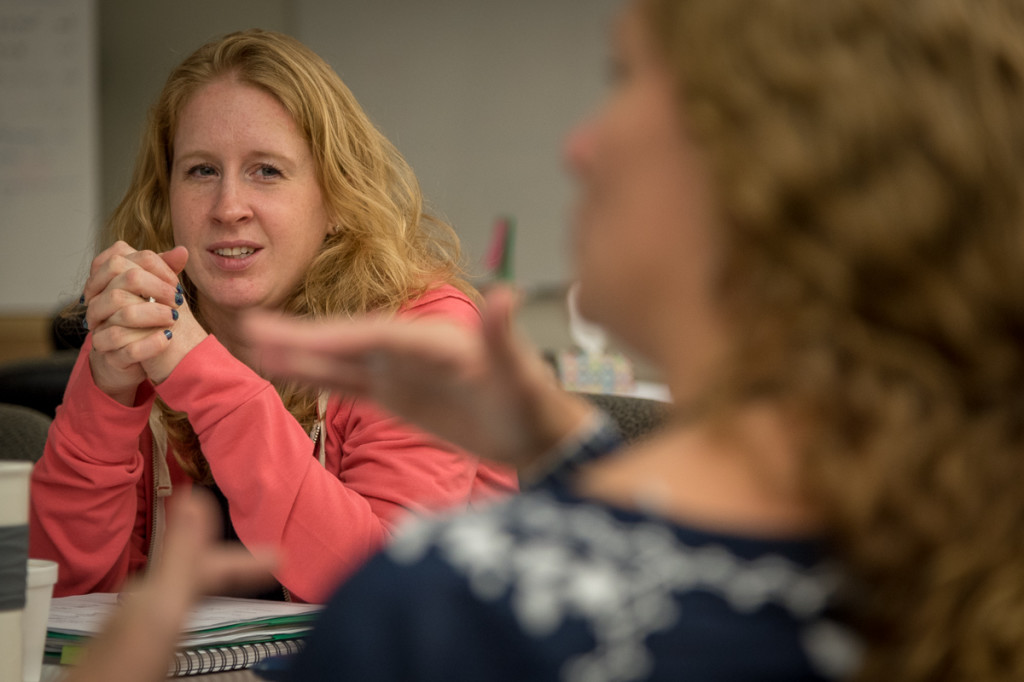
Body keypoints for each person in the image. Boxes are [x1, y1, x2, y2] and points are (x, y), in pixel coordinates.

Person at [61, 0, 1024, 679]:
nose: (580, 145)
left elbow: (420, 599)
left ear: (751, 176)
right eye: (200, 172)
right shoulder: (925, 561)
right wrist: (563, 451)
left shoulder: (455, 608)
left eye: (628, 82)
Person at [28, 28, 517, 606]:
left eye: (267, 171)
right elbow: (50, 597)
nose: (229, 207)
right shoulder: (149, 326)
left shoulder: (423, 335)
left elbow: (381, 591)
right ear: (166, 200)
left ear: (337, 197)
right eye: (201, 171)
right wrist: (106, 400)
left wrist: (197, 370)